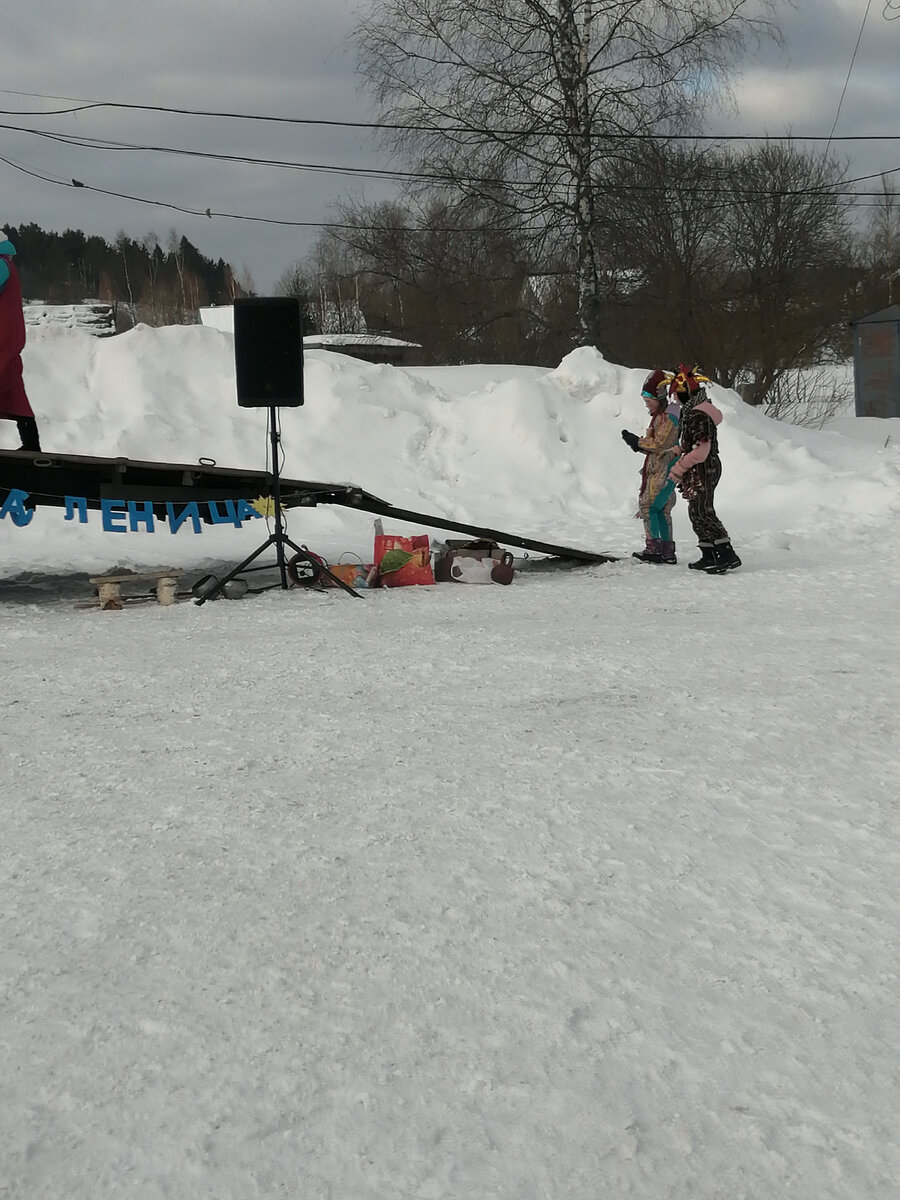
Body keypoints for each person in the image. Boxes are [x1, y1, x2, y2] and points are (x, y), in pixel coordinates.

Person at [667, 363, 741, 573]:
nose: (675, 400)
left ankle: (727, 554)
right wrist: (678, 449)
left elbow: (702, 450)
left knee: (703, 510)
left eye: (676, 395)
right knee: (695, 511)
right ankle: (708, 553)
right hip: (698, 468)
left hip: (705, 468)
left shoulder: (699, 415)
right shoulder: (692, 413)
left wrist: (680, 467)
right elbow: (693, 443)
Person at [621, 367, 680, 563]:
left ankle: (655, 548)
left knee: (649, 506)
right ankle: (665, 550)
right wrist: (637, 444)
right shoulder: (661, 417)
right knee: (659, 508)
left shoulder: (669, 417)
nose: (647, 406)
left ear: (659, 398)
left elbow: (660, 443)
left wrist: (637, 442)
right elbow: (656, 445)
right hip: (658, 470)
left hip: (664, 471)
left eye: (649, 401)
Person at [0, 231, 41, 451]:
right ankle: (31, 445)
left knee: (9, 387)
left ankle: (31, 445)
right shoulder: (5, 264)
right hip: (7, 339)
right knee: (13, 394)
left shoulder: (1, 265)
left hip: (3, 339)